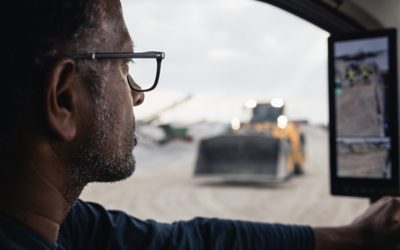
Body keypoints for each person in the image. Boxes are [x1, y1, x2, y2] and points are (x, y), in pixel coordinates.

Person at [0, 0, 400, 249]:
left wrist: (354, 237)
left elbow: (191, 240)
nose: (138, 93)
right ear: (64, 98)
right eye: (124, 66)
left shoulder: (67, 223)